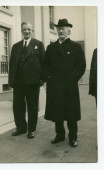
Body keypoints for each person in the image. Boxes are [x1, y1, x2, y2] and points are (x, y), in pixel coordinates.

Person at [42, 19, 86, 147]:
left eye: (63, 28)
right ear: (56, 30)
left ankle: (73, 136)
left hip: (70, 86)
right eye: (59, 28)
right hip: (55, 86)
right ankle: (60, 135)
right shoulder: (51, 48)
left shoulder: (76, 47)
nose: (61, 30)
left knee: (71, 113)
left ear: (69, 31)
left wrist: (72, 79)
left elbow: (81, 65)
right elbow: (44, 65)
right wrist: (48, 78)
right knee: (57, 113)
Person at [9, 22, 45, 139]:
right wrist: (11, 81)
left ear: (32, 30)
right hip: (18, 81)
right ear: (21, 31)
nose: (27, 31)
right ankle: (21, 128)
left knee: (32, 106)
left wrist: (42, 80)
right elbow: (12, 64)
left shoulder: (38, 45)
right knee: (18, 106)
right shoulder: (16, 46)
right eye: (24, 29)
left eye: (29, 29)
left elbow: (43, 63)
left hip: (33, 81)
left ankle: (31, 130)